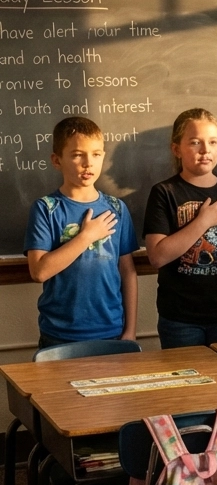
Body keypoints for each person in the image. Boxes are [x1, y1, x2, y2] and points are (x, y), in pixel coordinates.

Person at [144, 108, 217, 347]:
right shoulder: (164, 193)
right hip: (179, 319)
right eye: (195, 142)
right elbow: (157, 256)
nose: (205, 150)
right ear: (177, 149)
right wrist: (203, 222)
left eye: (213, 142)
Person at [25, 116, 138, 348]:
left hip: (111, 331)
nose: (88, 163)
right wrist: (86, 236)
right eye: (77, 155)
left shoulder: (116, 208)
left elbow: (127, 272)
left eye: (96, 154)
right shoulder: (46, 208)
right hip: (59, 334)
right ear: (57, 160)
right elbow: (39, 271)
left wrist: (131, 330)